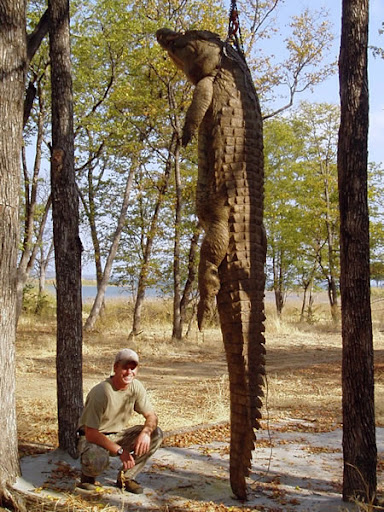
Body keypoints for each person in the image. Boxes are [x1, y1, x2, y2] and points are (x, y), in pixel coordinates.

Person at [77, 348, 163, 494]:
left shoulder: (136, 387)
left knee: (157, 433)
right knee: (97, 457)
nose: (129, 372)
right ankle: (87, 478)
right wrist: (121, 451)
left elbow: (152, 416)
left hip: (117, 435)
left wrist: (146, 433)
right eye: (125, 367)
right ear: (116, 367)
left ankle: (126, 478)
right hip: (92, 439)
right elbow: (91, 433)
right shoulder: (100, 392)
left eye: (133, 368)